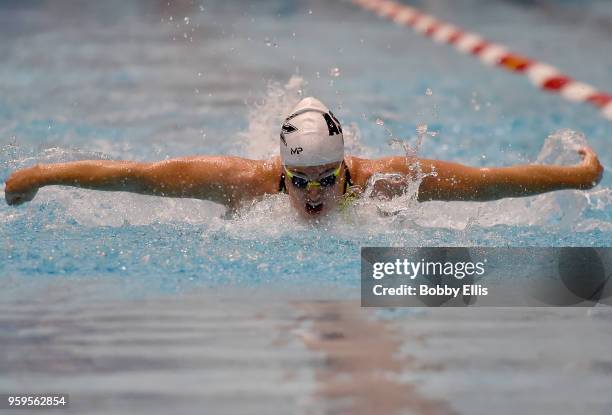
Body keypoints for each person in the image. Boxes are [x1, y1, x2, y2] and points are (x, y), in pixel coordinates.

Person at [3, 97, 604, 219]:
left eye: (326, 178)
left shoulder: (384, 185)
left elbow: (491, 186)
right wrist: (40, 176)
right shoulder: (239, 183)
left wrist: (580, 177)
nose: (313, 194)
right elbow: (132, 176)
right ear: (280, 171)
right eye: (300, 180)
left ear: (347, 167)